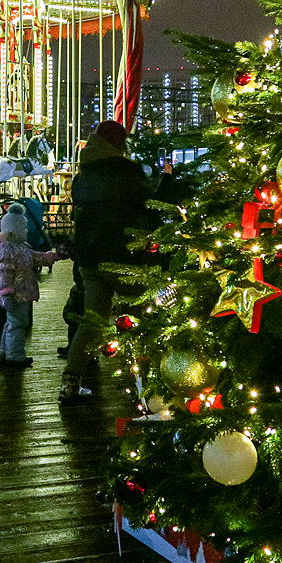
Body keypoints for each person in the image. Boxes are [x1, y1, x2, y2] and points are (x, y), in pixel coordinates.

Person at [60, 120, 169, 403]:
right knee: (143, 316)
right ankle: (147, 385)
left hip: (89, 260)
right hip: (121, 256)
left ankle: (70, 384)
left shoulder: (83, 175)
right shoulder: (126, 173)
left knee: (92, 321)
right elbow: (146, 207)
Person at [0, 203, 57, 368]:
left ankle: (5, 352)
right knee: (17, 324)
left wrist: (51, 257)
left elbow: (36, 257)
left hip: (22, 292)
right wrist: (6, 292)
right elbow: (5, 273)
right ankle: (15, 357)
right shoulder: (9, 250)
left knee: (12, 322)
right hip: (17, 293)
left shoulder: (19, 248)